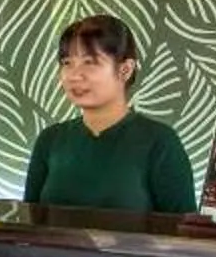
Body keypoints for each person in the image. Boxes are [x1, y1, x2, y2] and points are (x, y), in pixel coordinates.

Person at [22, 13, 197, 215]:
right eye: (67, 62)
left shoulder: (160, 142)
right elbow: (30, 227)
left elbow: (184, 235)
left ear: (125, 69)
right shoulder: (50, 140)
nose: (74, 75)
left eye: (90, 62)